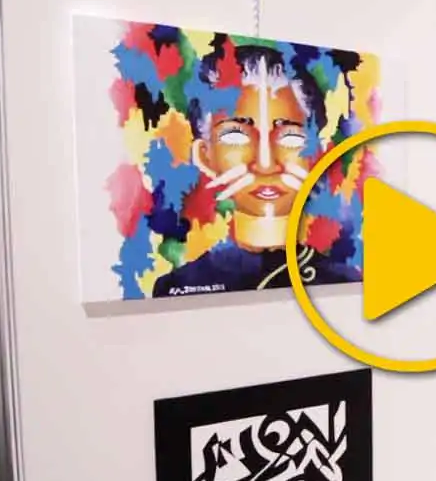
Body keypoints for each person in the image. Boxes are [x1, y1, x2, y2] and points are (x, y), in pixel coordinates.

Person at [152, 41, 361, 297]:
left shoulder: (346, 283)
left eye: (290, 138)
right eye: (236, 136)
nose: (265, 164)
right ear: (205, 156)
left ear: (318, 156)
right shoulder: (176, 287)